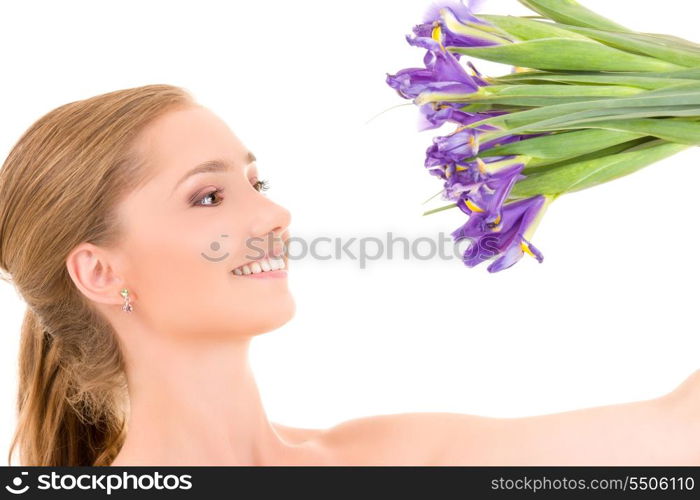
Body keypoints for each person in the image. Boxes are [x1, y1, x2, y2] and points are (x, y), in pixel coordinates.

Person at [1, 84, 698, 466]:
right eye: (209, 196)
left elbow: (678, 432)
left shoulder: (385, 459)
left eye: (256, 180)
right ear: (98, 270)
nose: (275, 213)